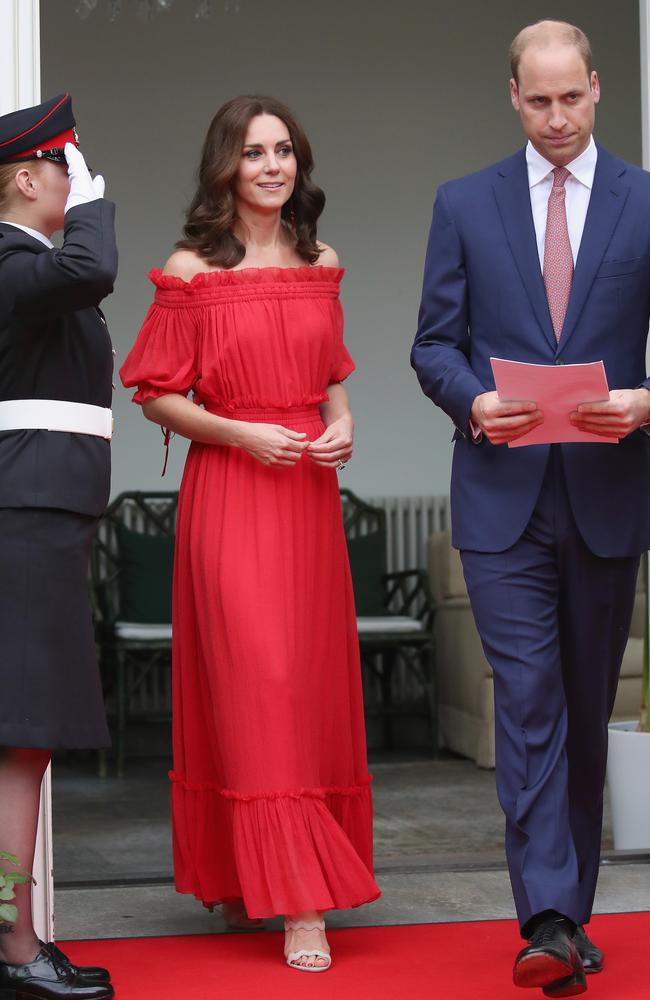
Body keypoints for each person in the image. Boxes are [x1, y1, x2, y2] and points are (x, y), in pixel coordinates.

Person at [412, 20, 650, 998]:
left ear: (595, 90)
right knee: (530, 699)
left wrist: (646, 400)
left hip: (605, 494)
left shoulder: (643, 200)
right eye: (536, 100)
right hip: (499, 495)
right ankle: (544, 915)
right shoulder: (463, 204)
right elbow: (432, 343)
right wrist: (470, 396)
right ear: (511, 97)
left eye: (570, 97)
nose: (555, 117)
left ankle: (568, 912)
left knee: (586, 706)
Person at [120, 94, 380, 972]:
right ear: (226, 166)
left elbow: (332, 372)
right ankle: (300, 902)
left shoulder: (322, 262)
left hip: (307, 498)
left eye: (283, 152)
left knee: (300, 689)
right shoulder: (190, 270)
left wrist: (340, 420)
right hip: (232, 492)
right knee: (259, 682)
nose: (271, 166)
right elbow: (155, 390)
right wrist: (243, 433)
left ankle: (252, 876)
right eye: (254, 153)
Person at [0, 94, 117, 999]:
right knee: (21, 739)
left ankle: (15, 935)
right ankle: (13, 947)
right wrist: (92, 207)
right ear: (33, 174)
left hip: (42, 516)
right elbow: (94, 268)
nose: (78, 184)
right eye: (67, 168)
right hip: (25, 517)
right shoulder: (12, 258)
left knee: (22, 741)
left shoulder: (30, 266)